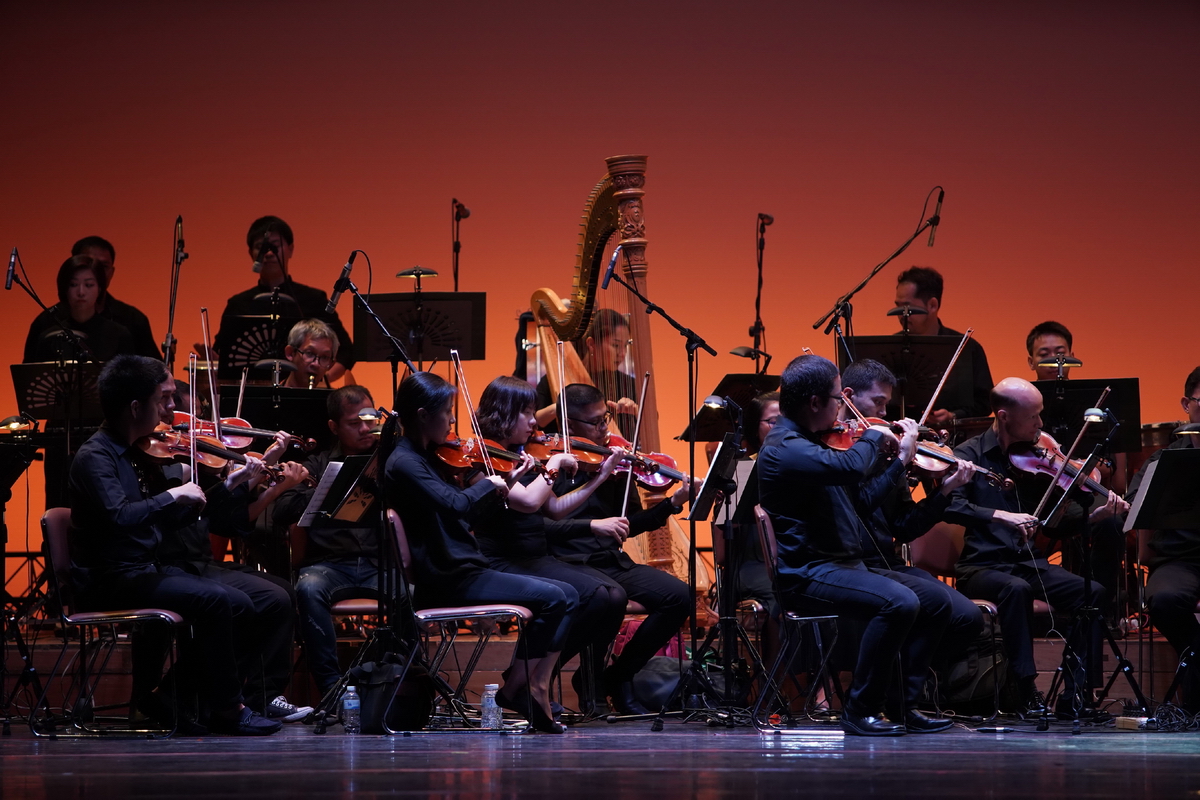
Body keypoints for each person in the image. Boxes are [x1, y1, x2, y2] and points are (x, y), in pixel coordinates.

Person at [67, 354, 281, 735]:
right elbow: (120, 517)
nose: (172, 408)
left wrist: (224, 487)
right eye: (164, 399)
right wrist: (172, 496)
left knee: (245, 605)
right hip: (111, 579)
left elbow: (168, 520)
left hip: (143, 569)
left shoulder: (134, 452)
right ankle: (227, 710)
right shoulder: (95, 457)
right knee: (217, 601)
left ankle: (171, 697)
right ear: (136, 407)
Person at [757, 354, 950, 736]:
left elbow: (861, 498)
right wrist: (879, 437)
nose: (843, 408)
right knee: (900, 602)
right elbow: (850, 468)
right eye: (837, 398)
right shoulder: (786, 448)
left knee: (936, 601)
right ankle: (860, 709)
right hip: (808, 574)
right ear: (815, 403)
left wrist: (899, 464)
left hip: (841, 566)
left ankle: (902, 704)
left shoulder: (817, 441)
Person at [383, 371, 576, 733]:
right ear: (424, 414)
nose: (453, 421)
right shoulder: (405, 463)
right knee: (555, 597)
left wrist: (508, 483)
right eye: (447, 412)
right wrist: (487, 483)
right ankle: (521, 687)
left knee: (567, 594)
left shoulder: (428, 456)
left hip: (465, 568)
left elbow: (470, 512)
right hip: (446, 578)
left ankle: (523, 686)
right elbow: (455, 505)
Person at [945, 377, 1129, 720]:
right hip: (982, 567)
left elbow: (1053, 523)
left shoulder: (1035, 457)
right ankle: (1024, 689)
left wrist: (1097, 514)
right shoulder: (967, 456)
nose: (1041, 425)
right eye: (1033, 417)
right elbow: (950, 507)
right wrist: (1001, 516)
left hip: (1028, 563)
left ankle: (1075, 694)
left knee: (1093, 593)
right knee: (1016, 589)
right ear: (1003, 416)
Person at [471, 376, 629, 715]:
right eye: (526, 413)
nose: (534, 422)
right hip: (500, 559)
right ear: (503, 414)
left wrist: (601, 476)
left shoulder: (523, 454)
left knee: (611, 596)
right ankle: (528, 685)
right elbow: (526, 502)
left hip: (533, 555)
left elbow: (554, 509)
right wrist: (553, 469)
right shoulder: (482, 458)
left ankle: (525, 682)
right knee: (584, 595)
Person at [544, 383, 697, 716]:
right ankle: (544, 678)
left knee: (679, 596)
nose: (605, 429)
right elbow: (545, 527)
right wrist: (591, 525)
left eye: (606, 418)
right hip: (565, 563)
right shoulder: (550, 464)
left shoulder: (612, 464)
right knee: (607, 598)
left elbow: (628, 525)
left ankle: (617, 676)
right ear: (569, 425)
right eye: (596, 422)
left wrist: (673, 503)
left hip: (609, 561)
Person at [839, 359, 984, 669]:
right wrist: (899, 463)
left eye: (886, 405)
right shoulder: (836, 453)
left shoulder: (887, 452)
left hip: (886, 564)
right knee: (917, 607)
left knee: (968, 617)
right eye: (878, 402)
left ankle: (918, 690)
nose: (884, 414)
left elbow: (903, 527)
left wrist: (944, 492)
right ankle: (898, 694)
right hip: (848, 567)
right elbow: (858, 504)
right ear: (849, 398)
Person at [274, 386, 386, 703]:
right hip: (330, 566)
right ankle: (332, 691)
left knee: (412, 597)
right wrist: (331, 488)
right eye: (354, 422)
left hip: (381, 565)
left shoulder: (390, 459)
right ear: (334, 427)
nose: (365, 428)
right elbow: (281, 511)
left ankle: (400, 682)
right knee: (307, 589)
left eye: (369, 418)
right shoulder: (320, 464)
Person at [212, 216, 354, 381]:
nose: (269, 253)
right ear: (251, 253)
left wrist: (321, 380)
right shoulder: (238, 304)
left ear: (290, 249)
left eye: (275, 246)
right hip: (250, 396)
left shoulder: (314, 299)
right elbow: (222, 354)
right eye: (261, 247)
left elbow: (347, 351)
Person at [1135, 367, 1200, 711]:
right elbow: (1134, 507)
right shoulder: (1162, 460)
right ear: (1186, 404)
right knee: (1163, 600)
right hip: (1178, 560)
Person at [892, 266, 993, 423]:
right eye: (898, 306)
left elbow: (984, 403)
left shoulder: (967, 348)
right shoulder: (889, 348)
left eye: (906, 307)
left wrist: (954, 415)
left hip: (952, 441)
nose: (900, 314)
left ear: (932, 305)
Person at [534, 309, 639, 437]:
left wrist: (636, 411)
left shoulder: (627, 383)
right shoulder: (556, 379)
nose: (622, 353)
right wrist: (560, 407)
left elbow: (649, 420)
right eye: (615, 345)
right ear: (591, 344)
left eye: (625, 346)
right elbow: (535, 422)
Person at [24, 255, 136, 363]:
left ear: (99, 289)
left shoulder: (119, 335)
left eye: (89, 285)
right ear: (65, 289)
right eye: (73, 284)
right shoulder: (48, 337)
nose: (81, 292)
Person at [71, 235, 160, 359]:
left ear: (112, 273)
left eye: (104, 267)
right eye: (89, 264)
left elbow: (156, 373)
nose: (97, 272)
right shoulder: (48, 321)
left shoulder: (133, 320)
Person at [281, 318, 340, 389]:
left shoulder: (333, 400)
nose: (316, 364)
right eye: (309, 353)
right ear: (290, 353)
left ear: (331, 364)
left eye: (324, 357)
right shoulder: (268, 398)